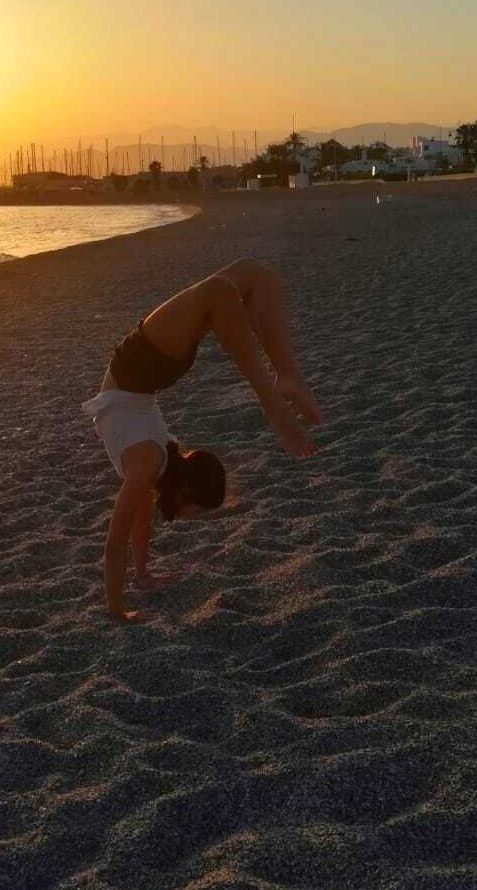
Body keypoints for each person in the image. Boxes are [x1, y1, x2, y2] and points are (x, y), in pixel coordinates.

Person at [83, 258, 321, 622]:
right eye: (196, 509)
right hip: (141, 369)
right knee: (253, 278)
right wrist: (124, 601)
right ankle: (278, 389)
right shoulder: (151, 463)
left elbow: (130, 528)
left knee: (232, 287)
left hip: (145, 369)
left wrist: (136, 584)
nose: (188, 515)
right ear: (185, 490)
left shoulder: (149, 467)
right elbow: (123, 536)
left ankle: (283, 380)